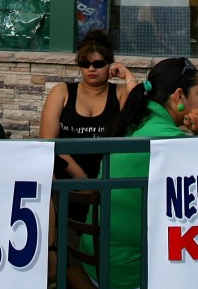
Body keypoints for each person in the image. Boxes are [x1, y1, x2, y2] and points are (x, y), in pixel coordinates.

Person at [79, 57, 198, 289]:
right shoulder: (167, 141)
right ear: (179, 96)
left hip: (97, 263)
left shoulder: (137, 123)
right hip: (128, 278)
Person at [40, 29, 136, 180]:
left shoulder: (120, 93)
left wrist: (128, 75)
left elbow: (137, 110)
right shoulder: (62, 92)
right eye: (85, 63)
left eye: (98, 64)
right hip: (66, 185)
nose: (91, 68)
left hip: (107, 181)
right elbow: (48, 141)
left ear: (110, 66)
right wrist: (82, 178)